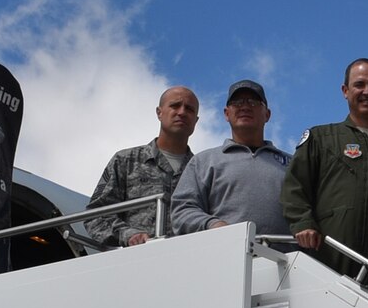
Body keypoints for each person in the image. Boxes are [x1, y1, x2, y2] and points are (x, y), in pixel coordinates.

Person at [282, 58, 368, 277]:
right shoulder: (321, 138)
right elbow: (294, 187)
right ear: (345, 90)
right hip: (329, 261)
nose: (367, 91)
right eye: (359, 84)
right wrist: (303, 223)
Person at [167, 81, 291, 236]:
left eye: (253, 102)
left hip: (286, 258)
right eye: (237, 102)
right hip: (225, 256)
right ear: (226, 113)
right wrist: (213, 224)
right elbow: (182, 210)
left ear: (267, 114)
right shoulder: (203, 162)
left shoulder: (293, 165)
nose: (245, 107)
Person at [85, 86, 199, 248]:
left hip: (190, 262)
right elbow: (95, 216)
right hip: (134, 263)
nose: (181, 112)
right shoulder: (125, 161)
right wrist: (128, 234)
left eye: (189, 109)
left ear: (196, 119)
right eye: (175, 105)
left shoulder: (202, 171)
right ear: (159, 112)